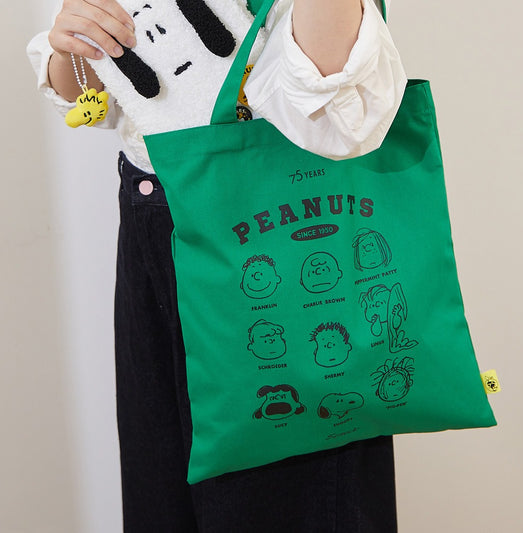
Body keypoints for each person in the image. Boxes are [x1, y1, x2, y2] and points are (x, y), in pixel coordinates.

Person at [27, 0, 406, 531]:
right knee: (161, 498)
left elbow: (338, 123)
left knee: (289, 499)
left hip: (273, 238)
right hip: (151, 226)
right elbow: (103, 98)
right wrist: (73, 45)